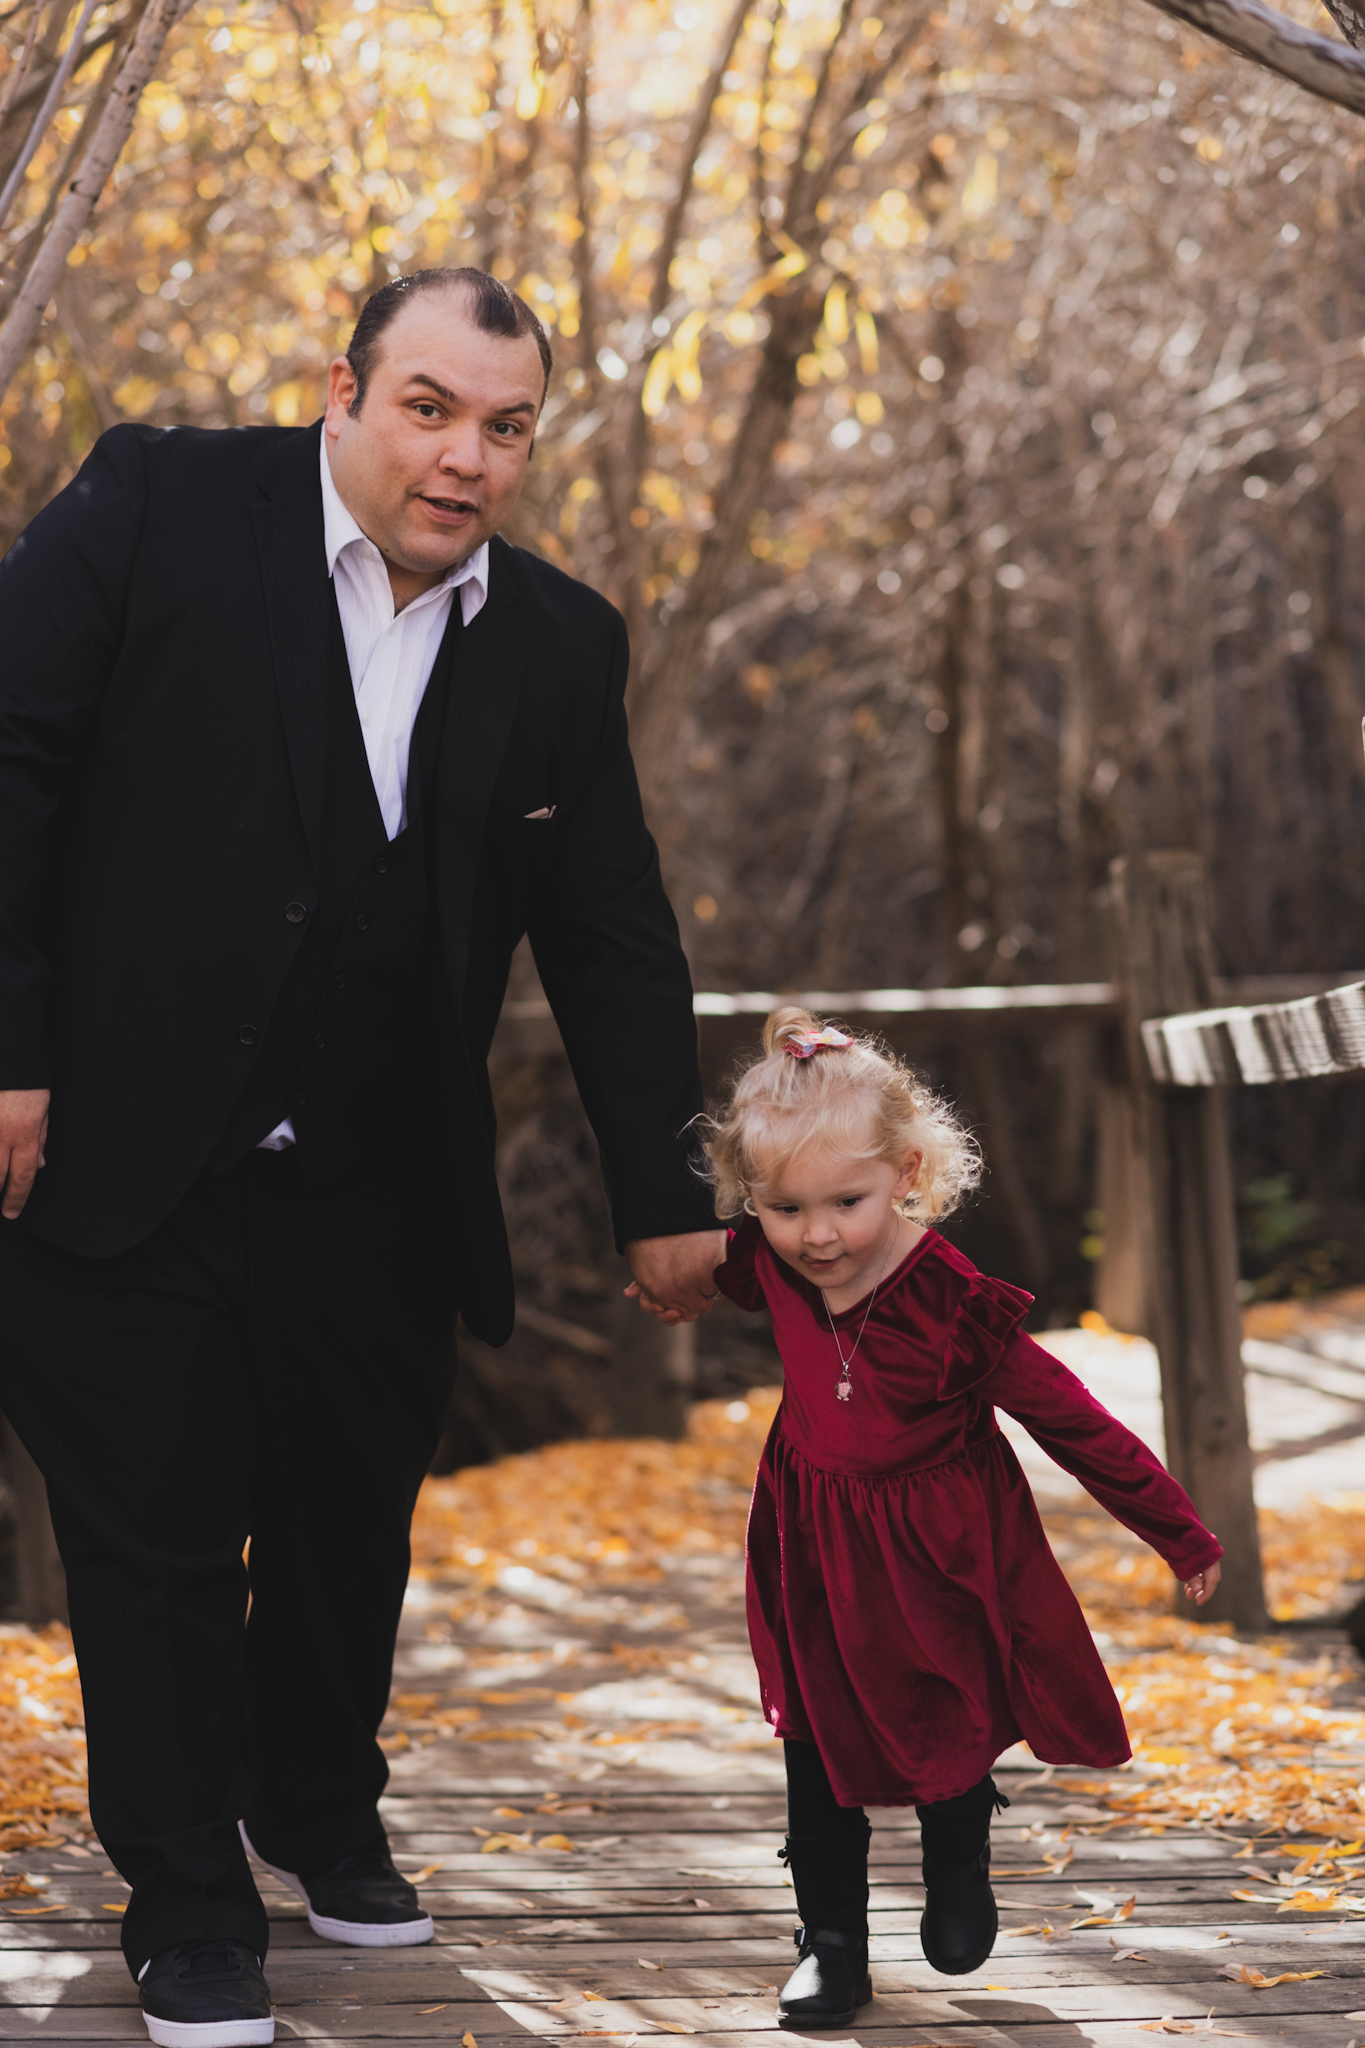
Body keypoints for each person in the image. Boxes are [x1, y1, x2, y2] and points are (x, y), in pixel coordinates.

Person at [0, 266, 724, 2047]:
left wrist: (668, 1189)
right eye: (429, 407)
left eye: (505, 425)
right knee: (155, 1536)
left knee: (339, 1523)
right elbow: (2, 763)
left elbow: (612, 923)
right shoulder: (157, 504)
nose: (465, 455)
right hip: (120, 1147)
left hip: (382, 1169)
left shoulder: (560, 641)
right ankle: (184, 1895)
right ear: (344, 386)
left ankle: (315, 1804)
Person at [702, 1009, 1224, 2027]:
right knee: (811, 1735)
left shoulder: (953, 1305)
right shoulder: (769, 1259)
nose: (817, 1234)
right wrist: (664, 1272)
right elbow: (702, 1264)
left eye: (845, 1202)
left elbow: (1072, 1417)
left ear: (904, 1173)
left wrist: (1178, 1531)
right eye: (784, 1207)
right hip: (810, 1540)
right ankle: (833, 1943)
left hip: (934, 1551)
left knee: (938, 1710)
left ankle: (956, 1843)